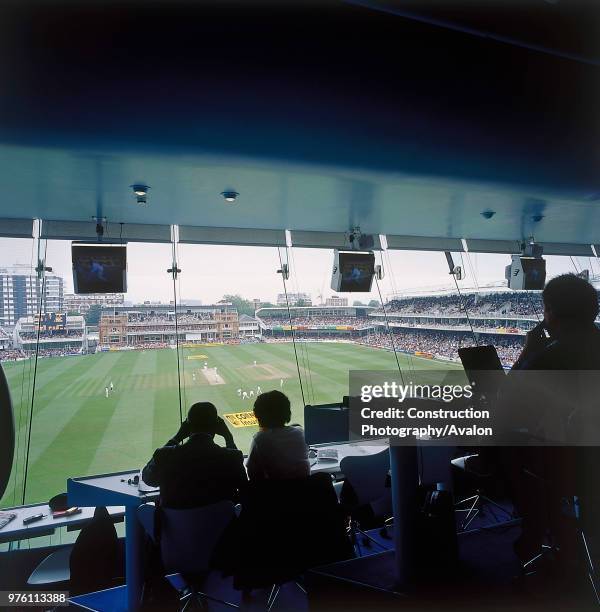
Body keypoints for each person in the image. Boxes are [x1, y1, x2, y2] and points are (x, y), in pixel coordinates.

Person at [500, 274, 600, 561]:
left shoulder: (548, 358)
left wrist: (527, 353)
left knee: (505, 448)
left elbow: (506, 404)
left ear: (550, 314)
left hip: (571, 470)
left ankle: (538, 530)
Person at [142, 402, 247, 508]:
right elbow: (243, 487)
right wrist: (228, 437)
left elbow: (148, 479)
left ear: (187, 426)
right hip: (221, 523)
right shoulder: (232, 457)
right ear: (217, 426)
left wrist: (176, 438)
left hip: (176, 524)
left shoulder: (164, 455)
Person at [246, 390, 310, 480]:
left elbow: (252, 475)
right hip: (305, 491)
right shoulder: (300, 433)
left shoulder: (260, 439)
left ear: (257, 415)